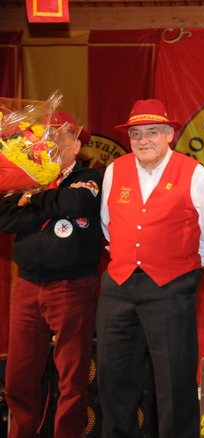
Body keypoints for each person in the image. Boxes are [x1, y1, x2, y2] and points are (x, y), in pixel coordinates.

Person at [97, 99, 204, 438]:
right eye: (136, 134)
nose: (143, 140)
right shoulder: (114, 170)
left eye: (153, 132)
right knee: (113, 377)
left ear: (170, 134)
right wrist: (127, 257)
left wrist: (187, 265)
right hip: (118, 286)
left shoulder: (194, 173)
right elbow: (108, 225)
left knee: (174, 379)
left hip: (171, 287)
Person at [0, 112, 101, 438]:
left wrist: (32, 199)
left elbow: (77, 203)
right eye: (46, 136)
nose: (51, 142)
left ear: (77, 146)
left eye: (60, 136)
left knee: (72, 378)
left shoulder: (90, 176)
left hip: (72, 286)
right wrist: (49, 204)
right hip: (28, 285)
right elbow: (6, 219)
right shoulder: (24, 175)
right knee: (19, 376)